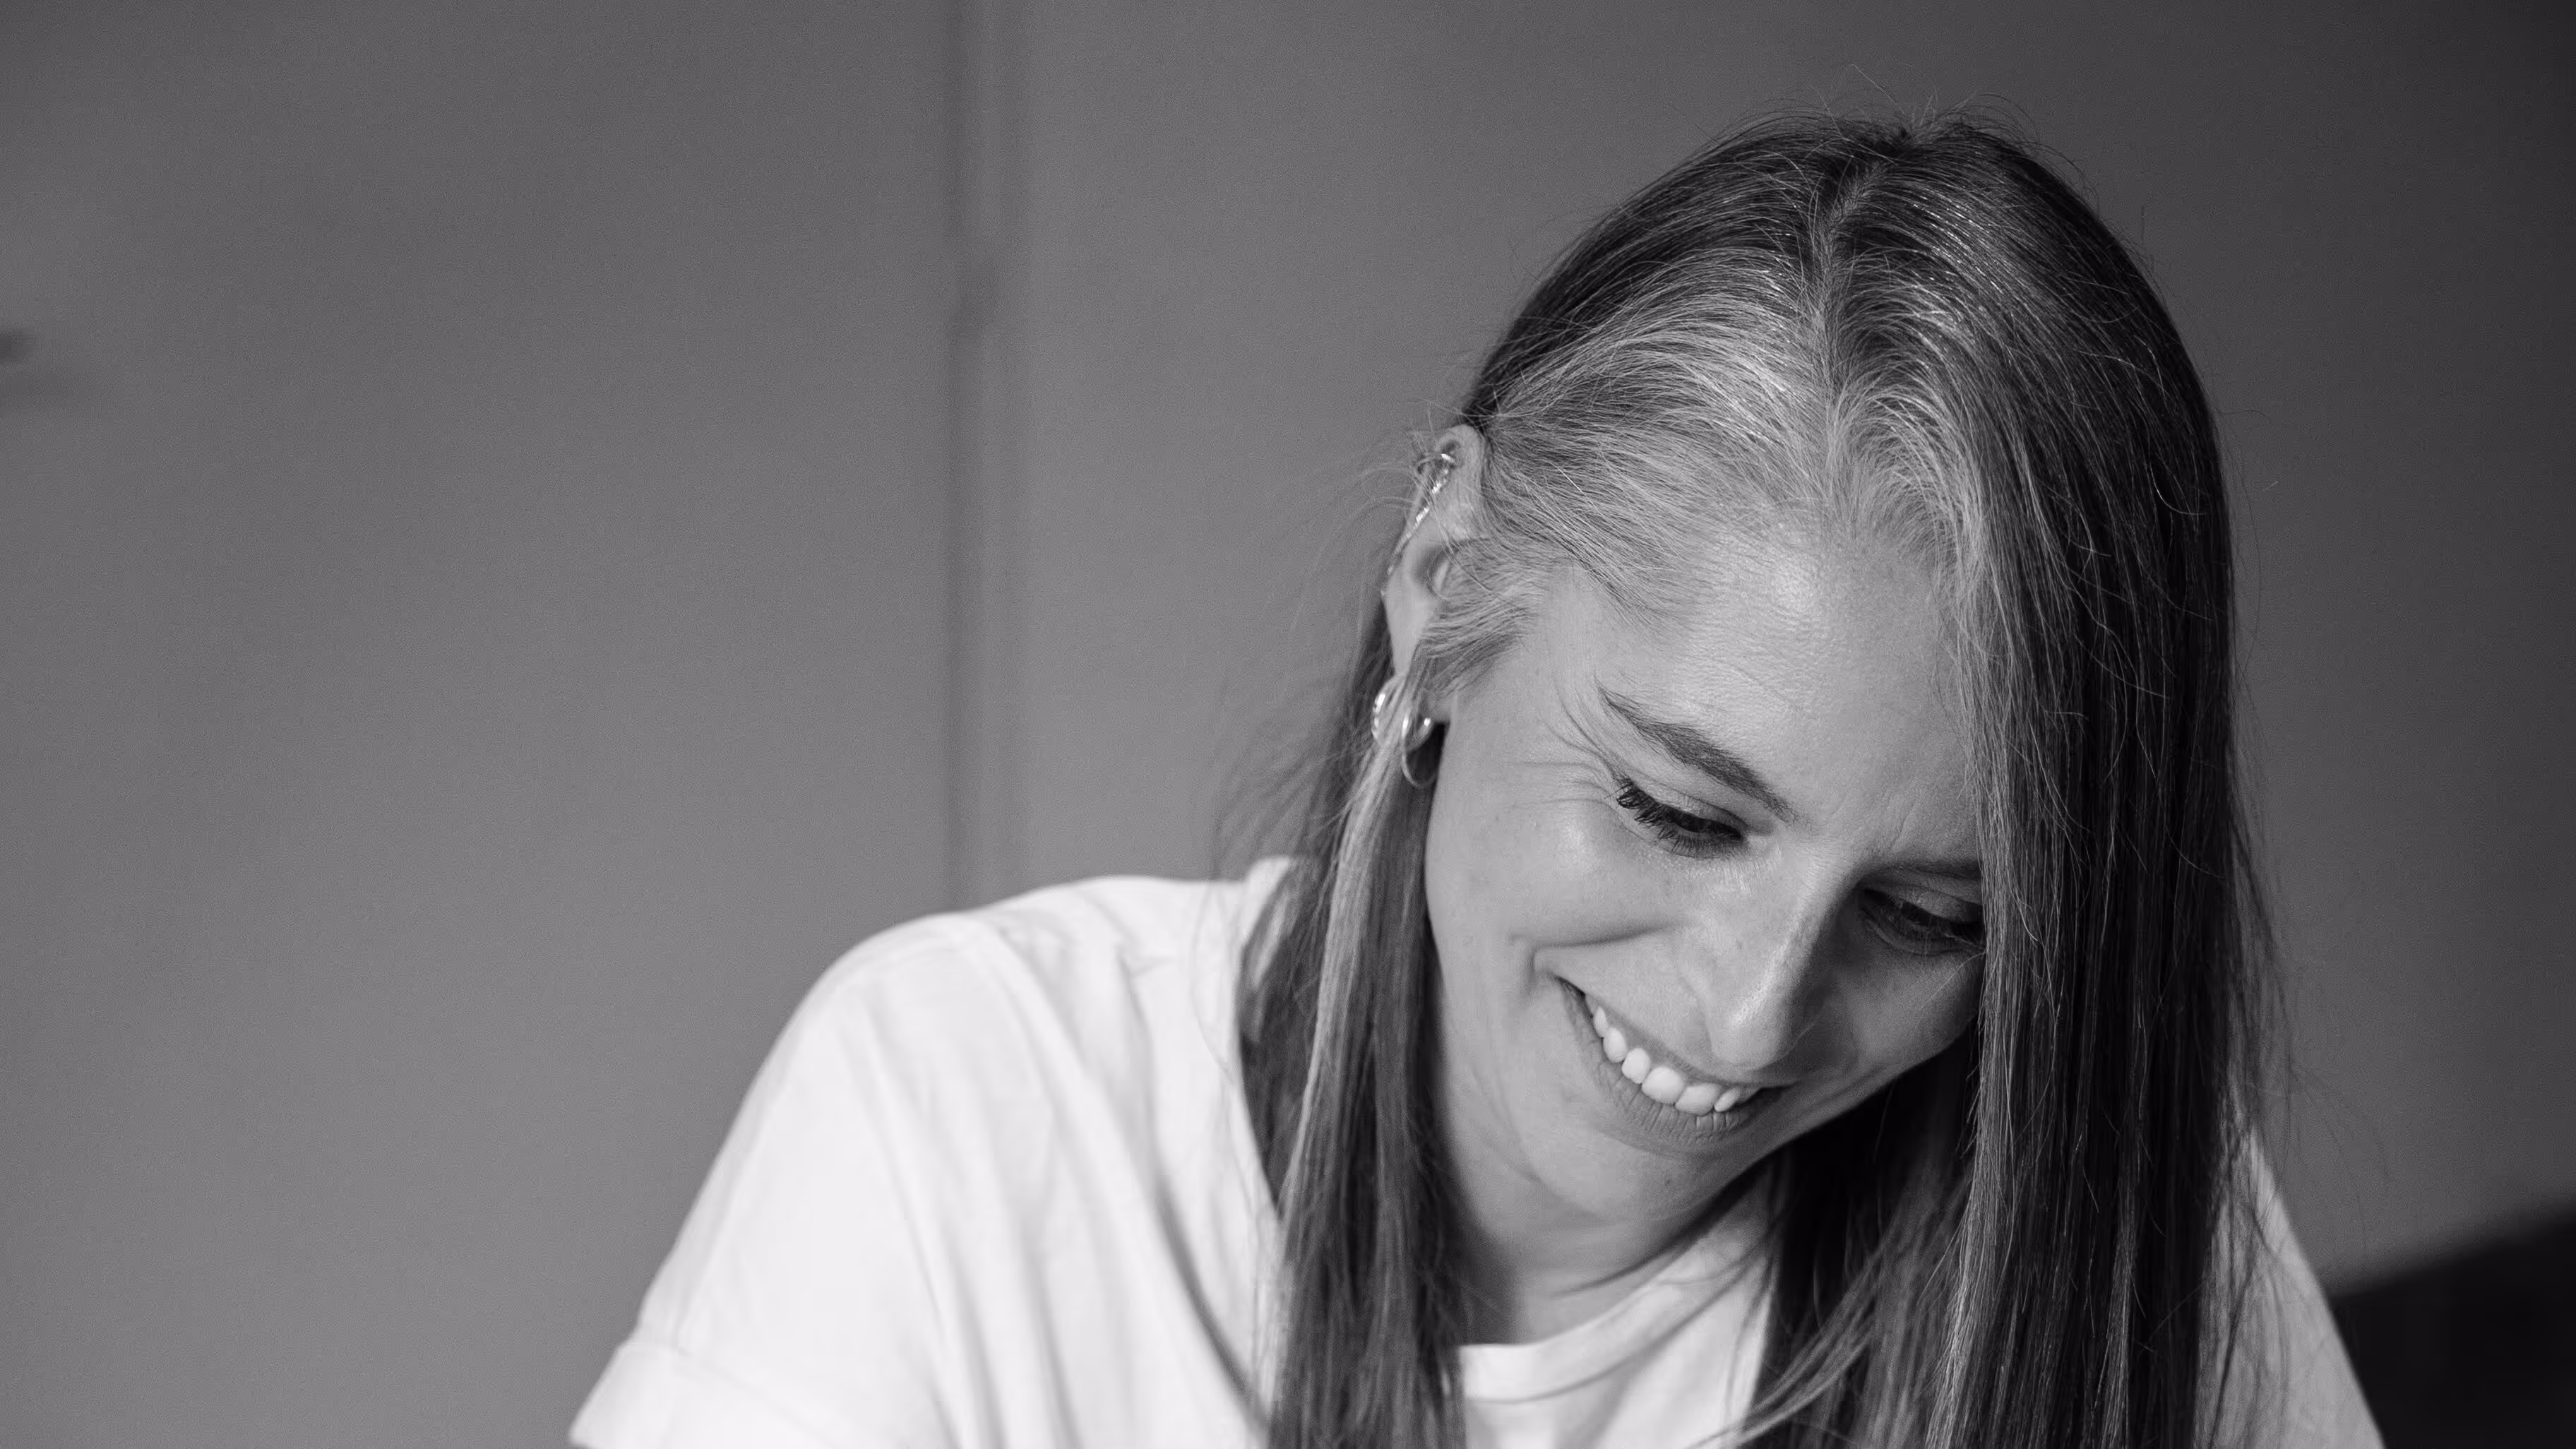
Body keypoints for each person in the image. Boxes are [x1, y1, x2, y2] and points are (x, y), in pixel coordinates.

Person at [571, 112, 2380, 1448]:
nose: (1749, 1019)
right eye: (1680, 807)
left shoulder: (2121, 1213)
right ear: (1446, 586)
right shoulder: (962, 1116)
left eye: (1928, 919)